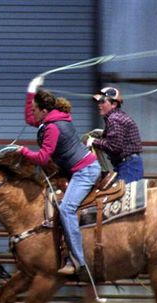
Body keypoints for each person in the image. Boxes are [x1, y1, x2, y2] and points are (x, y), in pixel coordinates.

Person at [16, 76, 101, 277]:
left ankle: (78, 261)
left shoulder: (53, 128)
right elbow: (30, 117)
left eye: (35, 109)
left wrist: (23, 152)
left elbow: (44, 157)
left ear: (44, 111)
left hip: (84, 172)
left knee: (66, 208)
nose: (33, 113)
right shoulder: (52, 119)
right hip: (79, 169)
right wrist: (31, 89)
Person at [87, 87, 144, 183]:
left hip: (128, 166)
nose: (99, 105)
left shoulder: (114, 119)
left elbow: (114, 147)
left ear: (113, 104)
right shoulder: (117, 116)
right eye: (99, 102)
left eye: (102, 102)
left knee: (125, 196)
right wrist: (104, 134)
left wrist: (93, 141)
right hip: (128, 164)